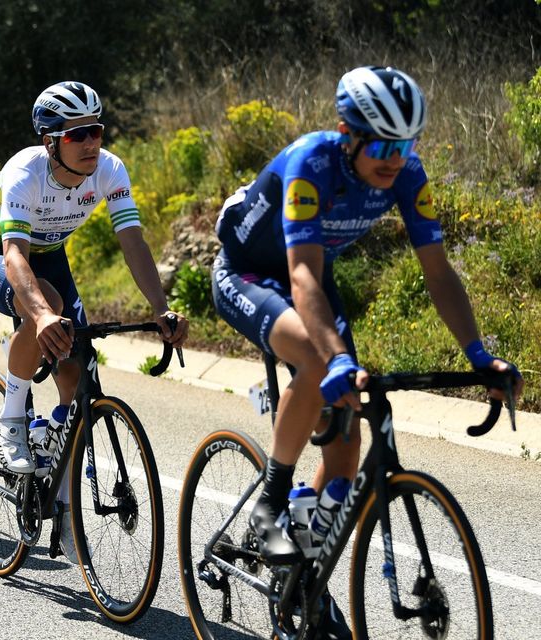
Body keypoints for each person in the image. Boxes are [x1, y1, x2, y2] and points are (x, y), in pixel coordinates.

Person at [211, 65, 524, 638]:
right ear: (347, 132)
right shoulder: (312, 162)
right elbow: (301, 277)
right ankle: (269, 506)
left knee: (345, 455)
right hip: (249, 270)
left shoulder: (408, 174)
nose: (393, 158)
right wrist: (336, 360)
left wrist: (480, 355)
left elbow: (438, 273)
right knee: (314, 356)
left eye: (405, 145)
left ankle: (300, 571)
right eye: (381, 143)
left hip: (308, 275)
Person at [0, 80, 188, 562]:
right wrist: (43, 316)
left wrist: (159, 308)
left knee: (77, 372)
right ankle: (11, 420)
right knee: (43, 305)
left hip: (52, 256)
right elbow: (14, 255)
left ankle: (63, 510)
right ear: (50, 141)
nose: (91, 143)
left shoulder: (109, 170)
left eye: (97, 131)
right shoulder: (25, 172)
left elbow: (133, 243)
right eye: (77, 134)